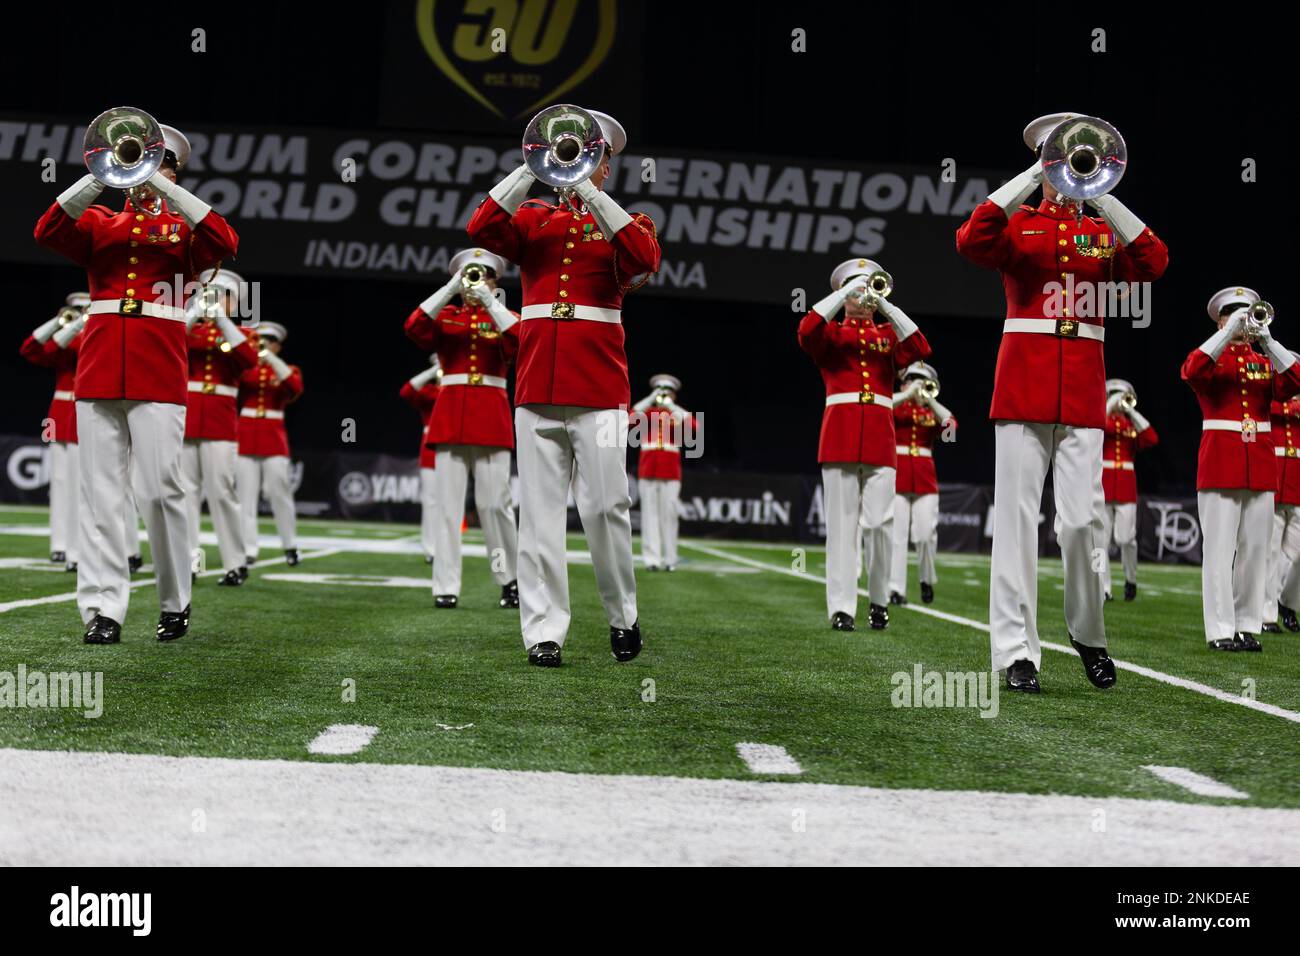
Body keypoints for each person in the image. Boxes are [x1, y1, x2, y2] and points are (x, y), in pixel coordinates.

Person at [955, 111, 1168, 692]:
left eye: (1079, 155)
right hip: (1022, 384)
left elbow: (1154, 261)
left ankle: (1087, 632)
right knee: (1019, 524)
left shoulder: (1101, 232)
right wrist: (1033, 176)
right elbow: (971, 239)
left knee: (1081, 523)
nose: (1073, 165)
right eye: (1064, 155)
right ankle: (1015, 653)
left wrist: (1108, 193)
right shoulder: (1020, 224)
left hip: (1081, 390)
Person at [467, 107, 659, 666]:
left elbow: (644, 260)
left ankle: (622, 616)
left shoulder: (631, 223)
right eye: (571, 150)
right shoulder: (532, 219)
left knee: (605, 509)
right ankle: (544, 632)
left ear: (605, 166)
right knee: (540, 518)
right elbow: (479, 229)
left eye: (588, 153)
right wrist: (532, 167)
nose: (577, 160)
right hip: (535, 385)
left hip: (598, 388)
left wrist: (591, 193)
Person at [34, 120, 239, 644]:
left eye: (160, 161)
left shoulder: (185, 231)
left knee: (161, 491)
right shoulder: (101, 221)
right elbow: (49, 229)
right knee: (99, 496)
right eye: (141, 160)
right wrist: (101, 177)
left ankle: (175, 599)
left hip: (157, 372)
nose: (147, 169)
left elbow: (225, 239)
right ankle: (103, 610)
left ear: (174, 169)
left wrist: (166, 188)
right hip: (99, 369)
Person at [799, 258, 931, 632]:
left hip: (879, 439)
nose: (865, 296)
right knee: (842, 528)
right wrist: (842, 295)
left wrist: (884, 301)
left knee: (879, 525)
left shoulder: (887, 336)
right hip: (839, 437)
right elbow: (807, 330)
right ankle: (842, 607)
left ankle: (877, 599)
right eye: (858, 289)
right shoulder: (833, 336)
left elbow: (919, 346)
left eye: (869, 287)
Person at [1184, 288, 1300, 651]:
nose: (1242, 318)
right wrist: (1225, 333)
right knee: (1220, 552)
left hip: (1260, 466)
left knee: (1256, 549)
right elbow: (1191, 370)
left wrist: (1268, 340)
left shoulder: (1263, 361)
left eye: (1247, 312)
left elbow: (1295, 380)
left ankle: (1248, 624)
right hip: (1221, 463)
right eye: (1234, 313)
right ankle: (1220, 629)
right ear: (1221, 319)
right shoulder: (1212, 358)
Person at [404, 248, 520, 609]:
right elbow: (414, 326)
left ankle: (509, 580)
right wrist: (452, 287)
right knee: (447, 508)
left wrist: (488, 300)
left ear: (496, 281)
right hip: (451, 417)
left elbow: (521, 338)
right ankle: (445, 586)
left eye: (485, 274)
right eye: (472, 274)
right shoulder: (448, 317)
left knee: (494, 506)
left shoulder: (504, 316)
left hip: (491, 418)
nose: (477, 279)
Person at [182, 269, 257, 585]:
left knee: (222, 493)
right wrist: (194, 311)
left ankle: (235, 564)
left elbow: (249, 359)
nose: (214, 300)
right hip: (186, 419)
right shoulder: (191, 331)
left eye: (222, 296)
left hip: (219, 421)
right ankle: (190, 564)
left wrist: (222, 321)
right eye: (210, 294)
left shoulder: (243, 333)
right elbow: (168, 341)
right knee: (184, 495)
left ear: (234, 302)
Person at [20, 293, 88, 570]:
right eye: (77, 308)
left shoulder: (89, 337)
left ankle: (75, 548)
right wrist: (60, 320)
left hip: (82, 413)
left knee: (79, 485)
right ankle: (59, 544)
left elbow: (73, 345)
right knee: (59, 482)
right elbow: (31, 349)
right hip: (59, 415)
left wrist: (80, 323)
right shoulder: (68, 336)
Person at [886, 362, 954, 606]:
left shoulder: (930, 413)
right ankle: (895, 589)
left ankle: (926, 578)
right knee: (897, 536)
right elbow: (881, 406)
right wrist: (906, 394)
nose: (913, 383)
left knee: (925, 536)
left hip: (925, 479)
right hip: (898, 476)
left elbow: (951, 432)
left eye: (919, 380)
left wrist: (930, 401)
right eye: (910, 378)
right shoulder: (896, 406)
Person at [236, 321, 303, 566]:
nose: (263, 344)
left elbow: (294, 387)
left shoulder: (287, 369)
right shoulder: (247, 367)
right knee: (245, 497)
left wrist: (270, 359)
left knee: (280, 493)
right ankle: (248, 549)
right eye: (259, 339)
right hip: (246, 435)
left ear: (278, 345)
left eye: (268, 341)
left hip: (274, 438)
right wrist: (253, 355)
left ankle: (290, 545)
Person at [1099, 380, 1158, 602]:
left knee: (1126, 538)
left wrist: (1131, 412)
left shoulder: (1130, 425)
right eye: (1116, 395)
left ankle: (1130, 579)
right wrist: (1108, 405)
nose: (1119, 400)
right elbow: (1097, 427)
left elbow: (1151, 438)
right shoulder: (1101, 419)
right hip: (1104, 485)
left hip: (1125, 487)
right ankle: (1103, 587)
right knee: (1101, 541)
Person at [631, 374, 696, 572]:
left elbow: (694, 426)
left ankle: (670, 559)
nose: (664, 396)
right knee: (649, 516)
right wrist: (651, 399)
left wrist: (671, 406)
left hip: (670, 472)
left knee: (669, 515)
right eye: (661, 392)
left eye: (667, 392)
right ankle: (652, 559)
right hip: (648, 469)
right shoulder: (648, 414)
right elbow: (630, 416)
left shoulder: (677, 415)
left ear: (674, 395)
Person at [399, 356, 442, 564]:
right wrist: (434, 370)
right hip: (431, 451)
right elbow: (407, 390)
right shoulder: (431, 393)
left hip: (456, 447)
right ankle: (431, 548)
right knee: (431, 501)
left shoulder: (457, 391)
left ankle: (447, 546)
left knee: (451, 502)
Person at [1266, 372, 1300, 632]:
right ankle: (1267, 615)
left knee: (1295, 554)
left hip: (1297, 486)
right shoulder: (1272, 400)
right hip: (1276, 483)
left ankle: (1286, 601)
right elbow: (1273, 406)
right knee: (1271, 553)